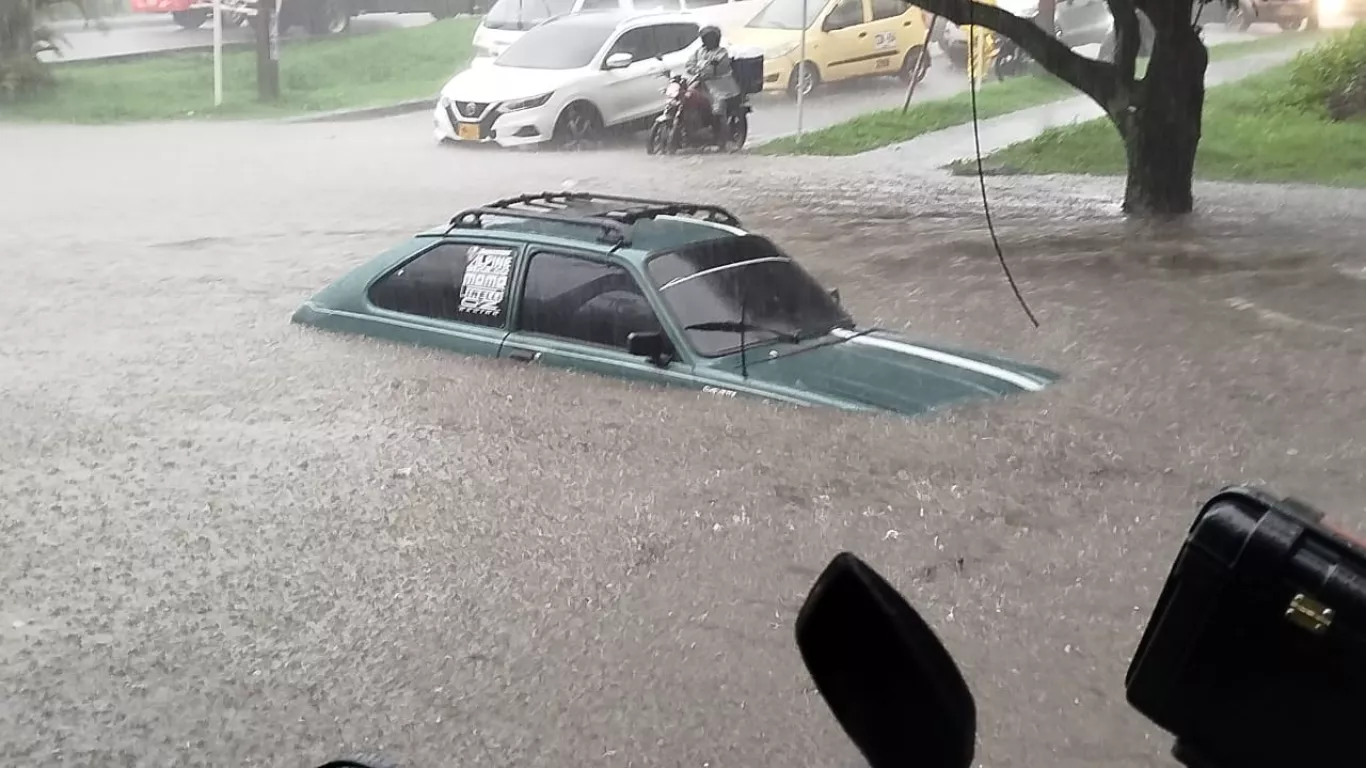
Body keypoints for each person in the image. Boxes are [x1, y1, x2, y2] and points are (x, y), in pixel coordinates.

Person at [685, 25, 741, 147]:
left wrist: (707, 70)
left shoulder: (721, 53)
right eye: (706, 38)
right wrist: (696, 71)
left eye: (710, 37)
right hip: (702, 83)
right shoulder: (699, 52)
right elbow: (689, 65)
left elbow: (719, 68)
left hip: (721, 85)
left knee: (717, 109)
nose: (708, 40)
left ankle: (721, 137)